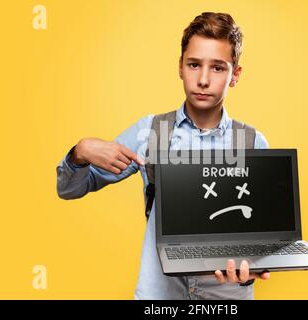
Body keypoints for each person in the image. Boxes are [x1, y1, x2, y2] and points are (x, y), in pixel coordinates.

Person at [56, 12, 271, 300]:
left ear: (235, 75)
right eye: (194, 64)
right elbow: (68, 189)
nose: (204, 79)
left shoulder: (252, 144)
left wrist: (250, 273)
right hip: (159, 295)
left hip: (227, 296)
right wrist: (79, 153)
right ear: (180, 67)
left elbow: (263, 238)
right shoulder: (150, 132)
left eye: (218, 68)